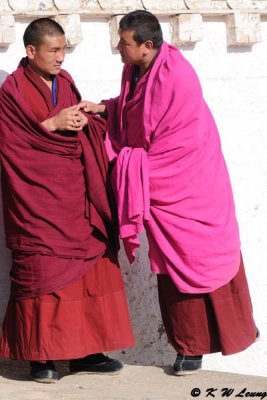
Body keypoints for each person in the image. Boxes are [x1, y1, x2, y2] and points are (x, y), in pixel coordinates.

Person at [79, 10, 258, 376]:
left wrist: (130, 166)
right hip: (163, 188)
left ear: (147, 46)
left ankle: (234, 332)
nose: (118, 49)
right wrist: (105, 108)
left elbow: (180, 142)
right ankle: (189, 348)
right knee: (171, 267)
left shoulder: (177, 76)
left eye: (124, 43)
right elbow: (136, 112)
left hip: (192, 182)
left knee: (206, 256)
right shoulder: (134, 70)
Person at [0, 18, 135, 384]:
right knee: (43, 272)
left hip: (77, 194)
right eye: (53, 51)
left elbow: (73, 123)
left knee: (93, 264)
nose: (61, 57)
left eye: (64, 49)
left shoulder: (65, 81)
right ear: (31, 51)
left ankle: (86, 352)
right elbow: (10, 143)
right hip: (38, 202)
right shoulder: (11, 91)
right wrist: (53, 125)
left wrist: (82, 119)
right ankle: (39, 358)